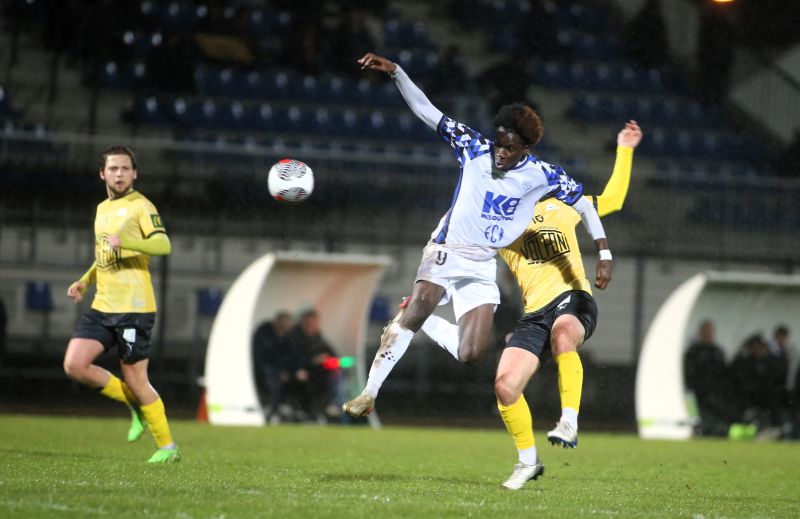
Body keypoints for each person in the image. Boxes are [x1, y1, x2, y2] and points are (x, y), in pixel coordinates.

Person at [343, 52, 610, 417]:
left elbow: (584, 205)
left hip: (484, 262)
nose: (500, 153)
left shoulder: (544, 175)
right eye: (499, 142)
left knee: (472, 354)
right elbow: (428, 112)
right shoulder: (473, 148)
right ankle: (370, 392)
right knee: (423, 299)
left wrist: (604, 252)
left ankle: (419, 320)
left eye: (510, 148)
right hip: (447, 247)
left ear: (527, 149)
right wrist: (397, 73)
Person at [419, 121, 642, 489]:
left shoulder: (563, 204)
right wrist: (430, 295)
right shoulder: (500, 222)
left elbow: (612, 200)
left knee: (563, 336)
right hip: (534, 313)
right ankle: (527, 461)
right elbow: (463, 260)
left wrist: (625, 149)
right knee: (506, 387)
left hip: (573, 298)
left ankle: (568, 421)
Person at [63, 145, 179, 463]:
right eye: (113, 168)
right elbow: (104, 253)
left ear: (135, 173)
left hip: (134, 307)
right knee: (74, 365)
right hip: (103, 304)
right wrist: (86, 280)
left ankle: (167, 448)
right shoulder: (102, 209)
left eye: (125, 168)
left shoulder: (141, 205)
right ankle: (134, 405)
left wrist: (126, 241)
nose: (119, 174)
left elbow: (163, 243)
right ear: (103, 173)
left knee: (137, 380)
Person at [252, 311, 309, 424]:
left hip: (282, 370)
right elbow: (260, 357)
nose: (286, 330)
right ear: (277, 324)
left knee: (305, 378)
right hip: (263, 370)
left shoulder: (287, 336)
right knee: (273, 377)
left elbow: (294, 354)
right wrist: (280, 372)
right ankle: (273, 410)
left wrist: (298, 369)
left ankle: (301, 411)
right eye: (284, 327)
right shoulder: (264, 334)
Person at [289, 308, 340, 421]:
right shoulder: (295, 337)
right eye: (308, 322)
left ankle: (333, 404)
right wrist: (312, 361)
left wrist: (328, 359)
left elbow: (332, 353)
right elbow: (293, 357)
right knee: (305, 380)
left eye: (313, 322)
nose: (311, 325)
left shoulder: (318, 337)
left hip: (317, 372)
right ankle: (312, 412)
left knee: (336, 372)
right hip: (300, 371)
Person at [684, 319, 731, 436]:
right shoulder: (693, 352)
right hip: (695, 393)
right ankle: (694, 432)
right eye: (706, 332)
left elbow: (723, 374)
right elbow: (689, 374)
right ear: (700, 333)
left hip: (713, 394)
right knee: (694, 417)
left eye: (710, 332)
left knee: (714, 418)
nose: (708, 335)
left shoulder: (718, 352)